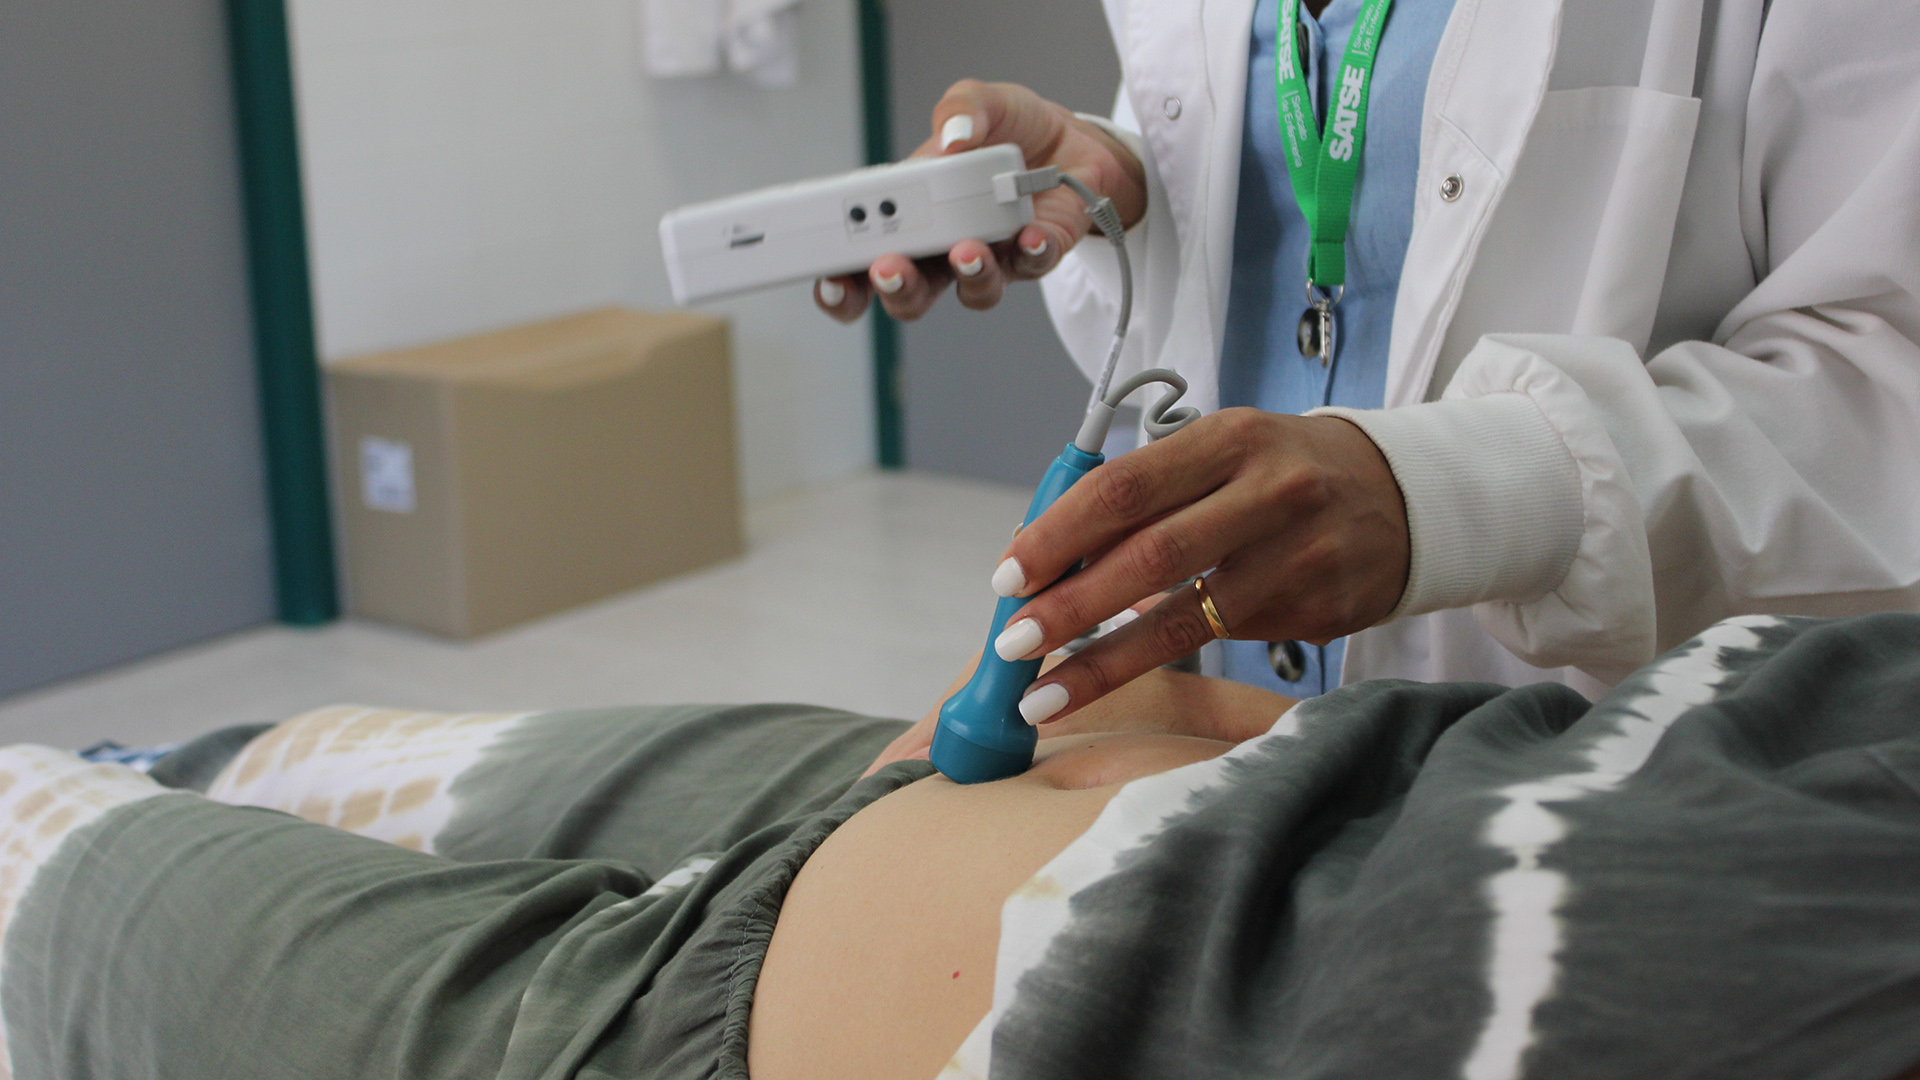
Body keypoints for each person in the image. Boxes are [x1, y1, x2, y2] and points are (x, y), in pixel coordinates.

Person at [2, 615, 1919, 1079]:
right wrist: (1206, 722)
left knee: (40, 847)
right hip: (979, 785)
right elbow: (1702, 729)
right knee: (261, 756)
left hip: (682, 1034)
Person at [816, 0, 1920, 733]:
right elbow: (1326, 217)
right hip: (1233, 731)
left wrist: (1451, 503)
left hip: (1616, 760)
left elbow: (1888, 380)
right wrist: (1131, 197)